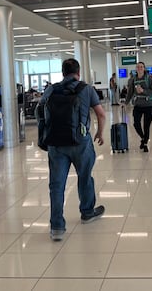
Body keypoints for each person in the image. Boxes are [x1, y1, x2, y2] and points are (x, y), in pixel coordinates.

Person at [37, 58, 106, 241]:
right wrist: (99, 133)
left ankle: (57, 227)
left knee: (57, 185)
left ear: (62, 72)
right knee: (84, 177)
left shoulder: (51, 89)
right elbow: (101, 114)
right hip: (80, 142)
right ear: (79, 72)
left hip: (56, 143)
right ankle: (87, 212)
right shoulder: (86, 89)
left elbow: (40, 110)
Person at [125, 62, 152, 152]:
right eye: (138, 67)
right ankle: (143, 138)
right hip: (138, 105)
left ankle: (145, 143)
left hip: (148, 105)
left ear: (144, 68)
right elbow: (130, 92)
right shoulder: (133, 79)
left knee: (146, 126)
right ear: (136, 68)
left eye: (141, 67)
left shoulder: (149, 78)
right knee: (136, 123)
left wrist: (143, 91)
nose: (139, 68)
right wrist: (126, 103)